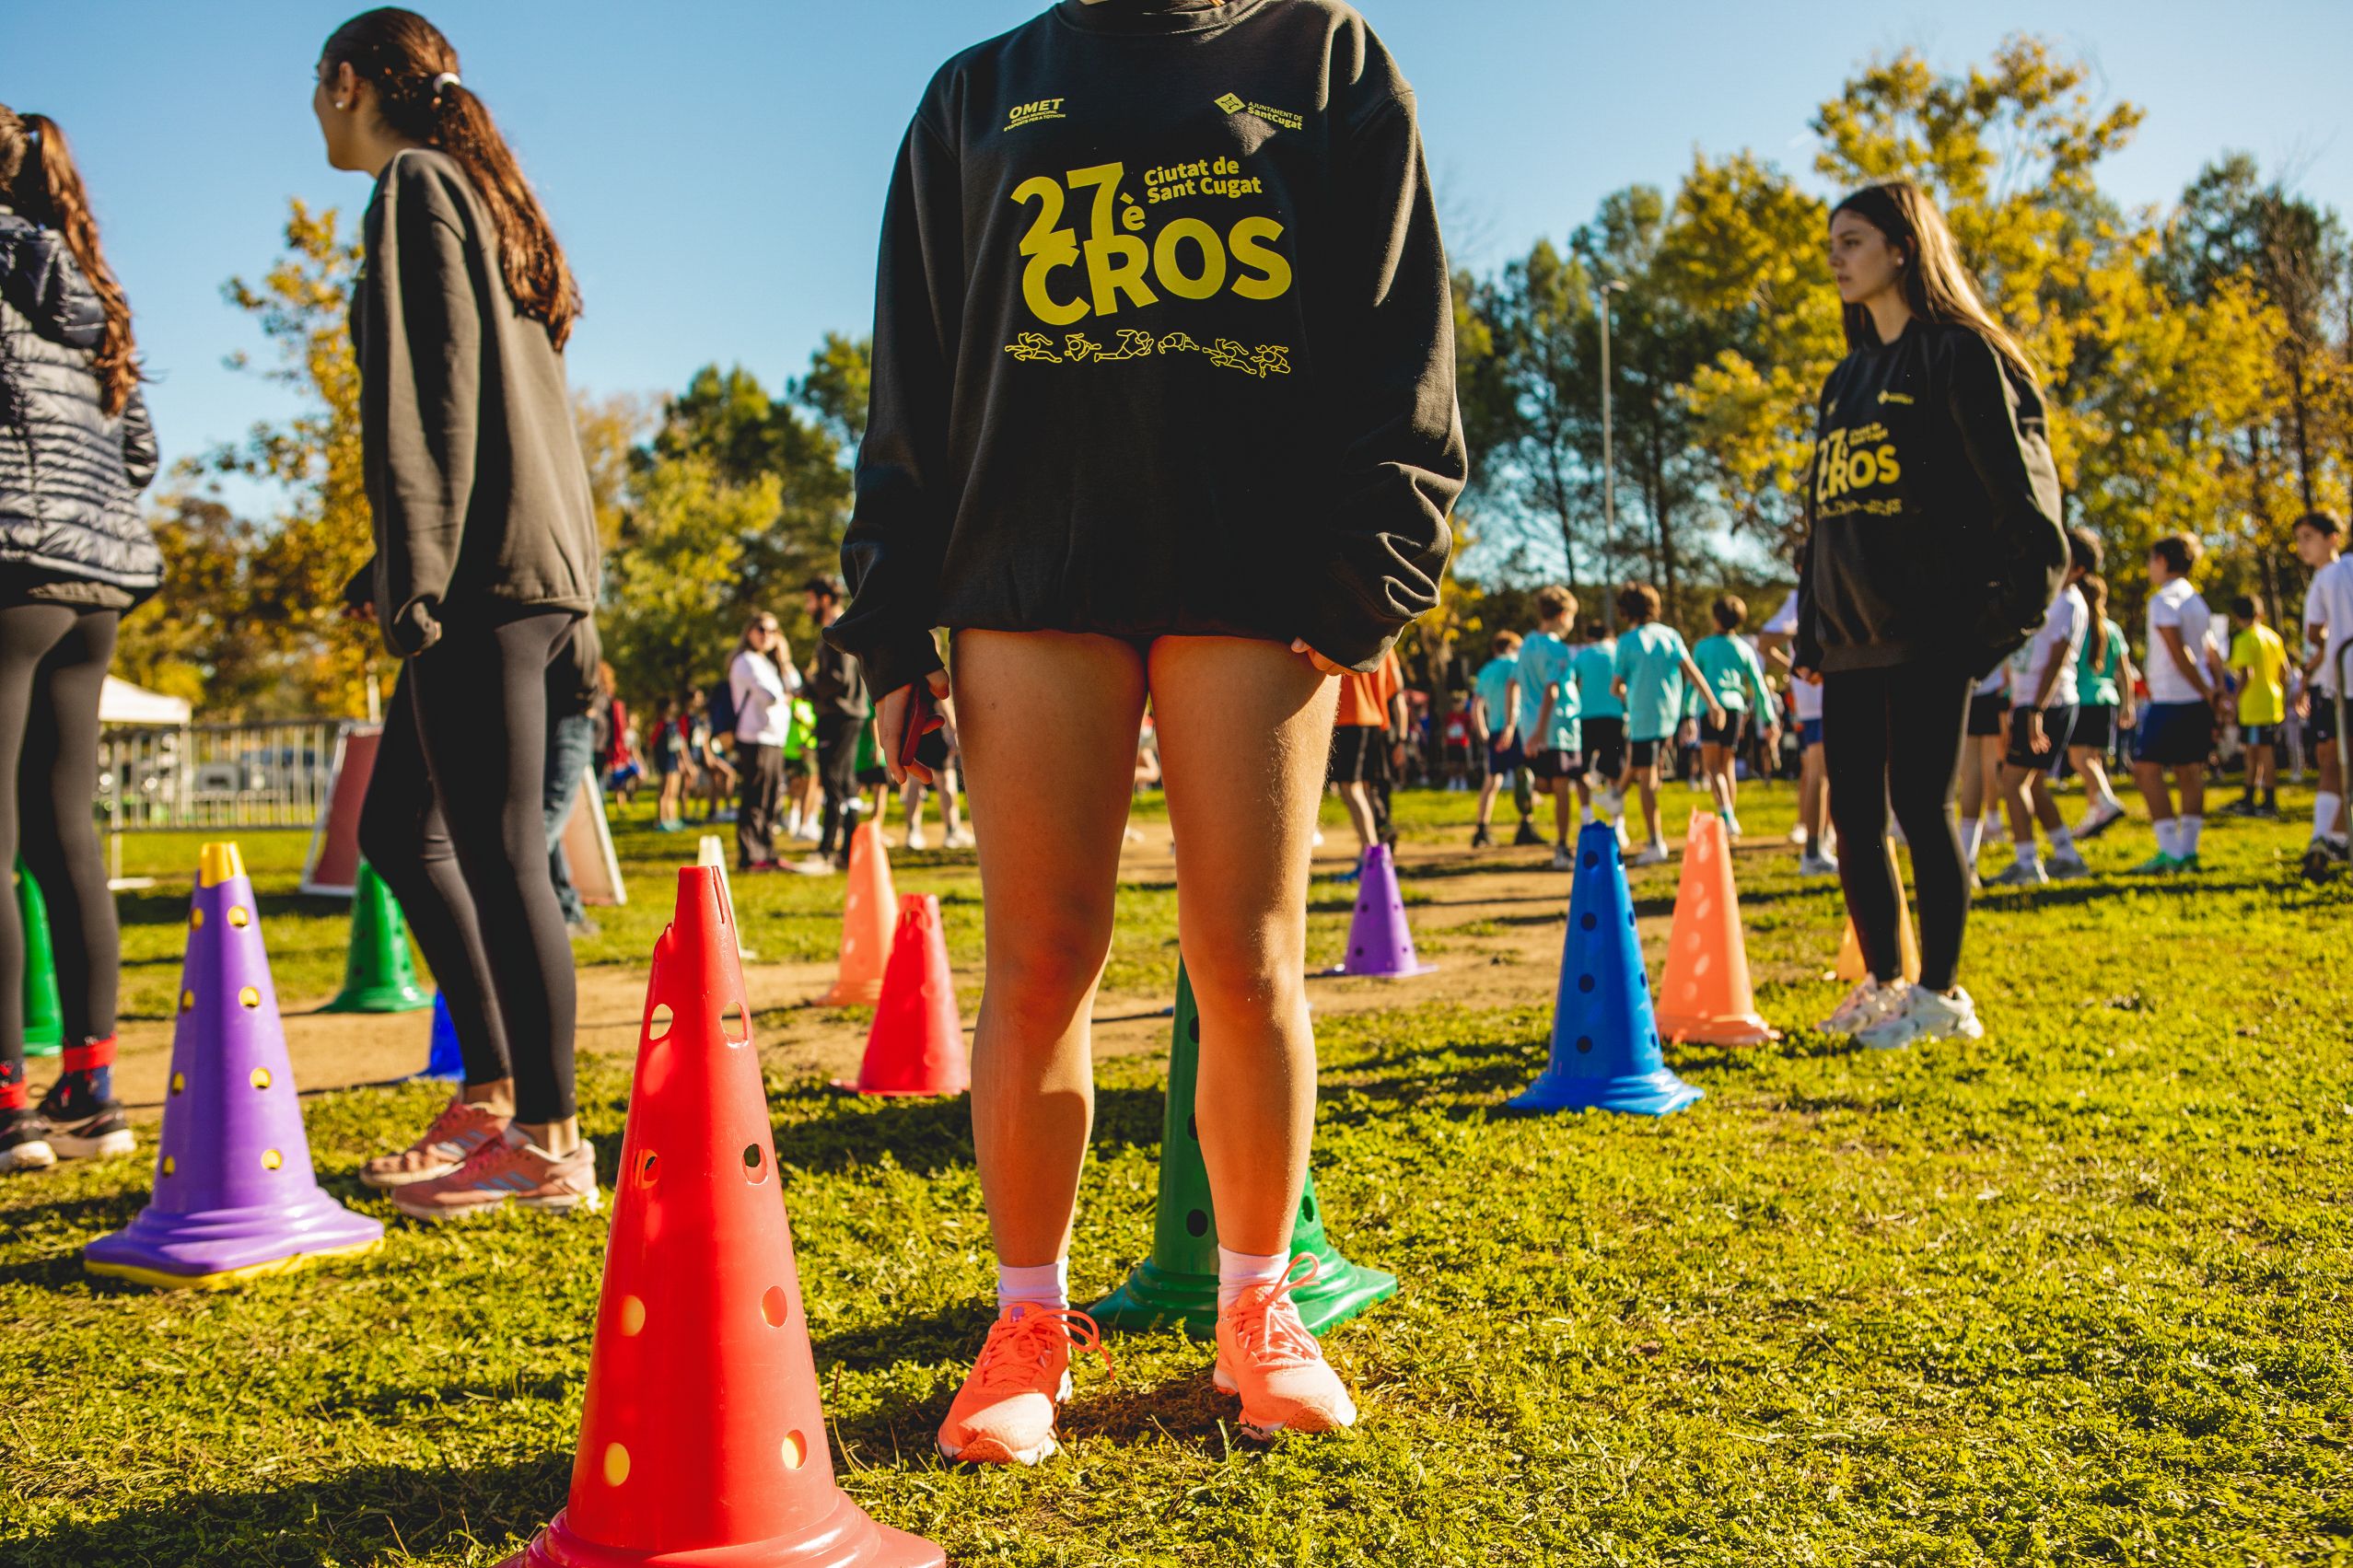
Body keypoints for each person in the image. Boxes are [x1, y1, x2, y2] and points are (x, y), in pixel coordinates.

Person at [829, 0, 1462, 1460]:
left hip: (1259, 575)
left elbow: (1401, 328)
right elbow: (910, 374)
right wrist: (889, 620)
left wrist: (1378, 563)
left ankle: (1257, 1303)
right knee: (1040, 958)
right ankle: (1024, 1323)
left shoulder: (1324, 56)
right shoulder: (976, 92)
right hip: (1024, 573)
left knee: (1245, 957)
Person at [321, 9, 601, 1219]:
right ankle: (492, 1097)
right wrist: (389, 557)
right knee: (401, 827)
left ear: (347, 84)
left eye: (318, 89)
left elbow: (429, 393)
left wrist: (415, 572)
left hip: (484, 576)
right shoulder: (479, 191)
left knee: (499, 853)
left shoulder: (417, 185)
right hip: (521, 560)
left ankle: (547, 1140)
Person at [1792, 180, 2068, 1050]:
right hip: (1850, 638)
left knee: (1920, 805)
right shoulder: (1844, 378)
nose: (1835, 259)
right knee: (1852, 819)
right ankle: (1884, 983)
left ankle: (1942, 996)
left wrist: (1991, 628)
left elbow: (2026, 507)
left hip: (1931, 633)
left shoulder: (1960, 354)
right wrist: (1813, 627)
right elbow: (1825, 516)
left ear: (1902, 247)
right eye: (1831, 244)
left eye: (1852, 241)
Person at [0, 107, 157, 1173]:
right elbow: (139, 449)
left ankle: (8, 1104)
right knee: (66, 835)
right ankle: (92, 1091)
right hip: (95, 582)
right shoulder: (96, 293)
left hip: (9, 562)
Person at [1987, 528, 2094, 885]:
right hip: (2033, 702)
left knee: (2012, 782)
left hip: (2046, 703)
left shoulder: (2069, 603)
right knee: (2032, 785)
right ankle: (2067, 856)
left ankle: (2026, 864)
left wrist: (2035, 711)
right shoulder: (2053, 596)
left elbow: (2056, 660)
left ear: (2078, 568)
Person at [1612, 583, 1723, 866]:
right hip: (1667, 717)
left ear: (1625, 611)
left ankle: (1654, 841)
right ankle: (1615, 796)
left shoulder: (1626, 641)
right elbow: (1692, 672)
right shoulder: (1670, 635)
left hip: (1642, 717)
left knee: (1646, 780)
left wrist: (1624, 692)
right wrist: (1712, 703)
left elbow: (1616, 686)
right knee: (1644, 767)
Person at [2130, 533, 2220, 875]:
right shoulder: (2196, 600)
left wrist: (2207, 690)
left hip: (2171, 698)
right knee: (2190, 772)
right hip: (2194, 700)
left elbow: (2179, 653)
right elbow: (2210, 650)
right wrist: (2214, 690)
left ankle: (2170, 851)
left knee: (2145, 770)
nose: (2149, 568)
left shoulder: (2163, 599)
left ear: (2163, 561)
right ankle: (2188, 852)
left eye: (2151, 560)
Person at [1760, 588, 1835, 875]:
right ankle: (1814, 852)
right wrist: (1797, 664)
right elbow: (1765, 641)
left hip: (1821, 701)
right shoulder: (1802, 594)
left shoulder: (1816, 587)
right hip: (1818, 702)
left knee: (1821, 773)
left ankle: (1822, 843)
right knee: (1820, 774)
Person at [2294, 510, 2351, 877]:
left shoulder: (2327, 576)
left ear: (2333, 537)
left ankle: (2324, 837)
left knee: (2332, 759)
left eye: (2309, 537)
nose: (2302, 546)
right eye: (2299, 539)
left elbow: (2315, 633)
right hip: (2336, 678)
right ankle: (2338, 838)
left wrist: (2315, 661)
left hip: (2338, 682)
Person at [1690, 595, 1775, 839]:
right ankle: (1729, 821)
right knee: (1727, 765)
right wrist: (1768, 717)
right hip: (1735, 707)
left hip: (1711, 708)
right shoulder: (1743, 648)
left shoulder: (1703, 647)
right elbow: (1758, 685)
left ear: (1715, 618)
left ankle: (1727, 816)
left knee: (1712, 767)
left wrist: (1686, 712)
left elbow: (1692, 684)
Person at [800, 575, 868, 875]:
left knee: (833, 780)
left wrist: (808, 686)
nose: (807, 607)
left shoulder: (836, 628)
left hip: (839, 714)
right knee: (846, 782)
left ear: (824, 599)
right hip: (848, 713)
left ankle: (826, 851)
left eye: (809, 600)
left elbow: (837, 678)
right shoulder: (846, 624)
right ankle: (847, 851)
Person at [1513, 587, 1581, 870]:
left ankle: (1533, 785)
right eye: (1572, 618)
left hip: (1529, 725)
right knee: (1562, 786)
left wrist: (1522, 727)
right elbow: (1553, 690)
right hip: (1557, 727)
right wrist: (1542, 730)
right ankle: (1562, 847)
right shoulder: (1557, 648)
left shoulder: (1527, 643)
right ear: (1563, 615)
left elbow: (1514, 682)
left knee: (1547, 780)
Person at [543, 616, 600, 937]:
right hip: (566, 715)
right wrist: (587, 699)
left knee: (545, 819)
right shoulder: (570, 606)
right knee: (547, 819)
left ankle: (566, 908)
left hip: (559, 712)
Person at [2067, 572, 2134, 841]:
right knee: (2093, 760)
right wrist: (2128, 704)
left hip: (2081, 698)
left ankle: (2106, 801)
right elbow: (2125, 672)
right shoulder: (2112, 628)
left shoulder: (2077, 626)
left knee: (2079, 759)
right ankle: (2095, 814)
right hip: (2106, 699)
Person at [1329, 644, 1406, 871]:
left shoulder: (1338, 632)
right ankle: (1374, 851)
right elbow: (1396, 685)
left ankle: (1372, 857)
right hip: (1375, 719)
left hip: (1350, 716)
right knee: (1365, 788)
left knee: (1350, 788)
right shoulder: (1385, 637)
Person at [728, 610, 794, 869]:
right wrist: (784, 695)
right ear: (749, 632)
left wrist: (785, 659)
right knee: (755, 798)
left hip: (775, 739)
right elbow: (770, 695)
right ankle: (751, 855)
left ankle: (767, 851)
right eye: (762, 629)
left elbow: (795, 685)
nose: (767, 635)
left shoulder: (768, 663)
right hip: (755, 738)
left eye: (773, 631)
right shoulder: (745, 661)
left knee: (772, 798)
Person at [1469, 631, 1533, 849]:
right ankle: (1525, 826)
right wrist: (1511, 725)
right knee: (1524, 777)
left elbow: (1476, 704)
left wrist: (1483, 731)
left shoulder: (1486, 670)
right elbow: (1515, 695)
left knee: (1492, 780)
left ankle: (1481, 829)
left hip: (1495, 730)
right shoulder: (1516, 665)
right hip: (1517, 728)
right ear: (1511, 647)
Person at [2224, 593, 2286, 819]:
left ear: (2236, 616)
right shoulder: (2272, 637)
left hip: (2254, 705)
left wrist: (2233, 700)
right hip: (2272, 702)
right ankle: (2251, 797)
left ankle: (2267, 801)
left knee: (2259, 754)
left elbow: (2246, 675)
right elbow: (2284, 671)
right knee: (2255, 751)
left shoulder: (2245, 639)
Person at [1572, 618, 1629, 850]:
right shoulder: (1617, 652)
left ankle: (1587, 818)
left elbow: (1572, 682)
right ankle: (1618, 824)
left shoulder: (1583, 655)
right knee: (1615, 770)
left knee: (1582, 769)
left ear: (1589, 637)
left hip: (1586, 718)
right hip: (1614, 718)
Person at [649, 693, 689, 830]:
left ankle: (673, 818)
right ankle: (662, 820)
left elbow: (678, 744)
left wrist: (681, 760)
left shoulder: (674, 724)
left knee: (673, 792)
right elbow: (652, 742)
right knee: (665, 792)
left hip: (674, 761)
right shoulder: (660, 724)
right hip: (665, 761)